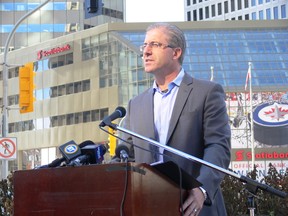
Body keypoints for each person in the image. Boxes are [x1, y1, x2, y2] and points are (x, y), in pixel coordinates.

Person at [121, 23, 231, 216]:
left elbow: (218, 147)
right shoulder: (135, 104)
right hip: (148, 208)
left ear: (176, 52)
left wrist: (202, 190)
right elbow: (126, 156)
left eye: (154, 44)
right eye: (144, 45)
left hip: (195, 207)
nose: (145, 51)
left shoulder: (207, 93)